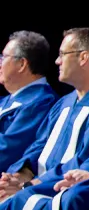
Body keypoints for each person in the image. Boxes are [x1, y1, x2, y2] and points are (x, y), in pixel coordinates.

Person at [0, 29, 89, 210]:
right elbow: (38, 146)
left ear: (84, 57)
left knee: (21, 200)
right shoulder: (61, 104)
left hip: (61, 185)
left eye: (63, 54)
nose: (57, 61)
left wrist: (32, 183)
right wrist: (19, 175)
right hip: (35, 184)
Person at [0, 31, 57, 172]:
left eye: (3, 57)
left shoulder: (41, 102)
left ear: (21, 64)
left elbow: (8, 150)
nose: (0, 63)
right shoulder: (7, 100)